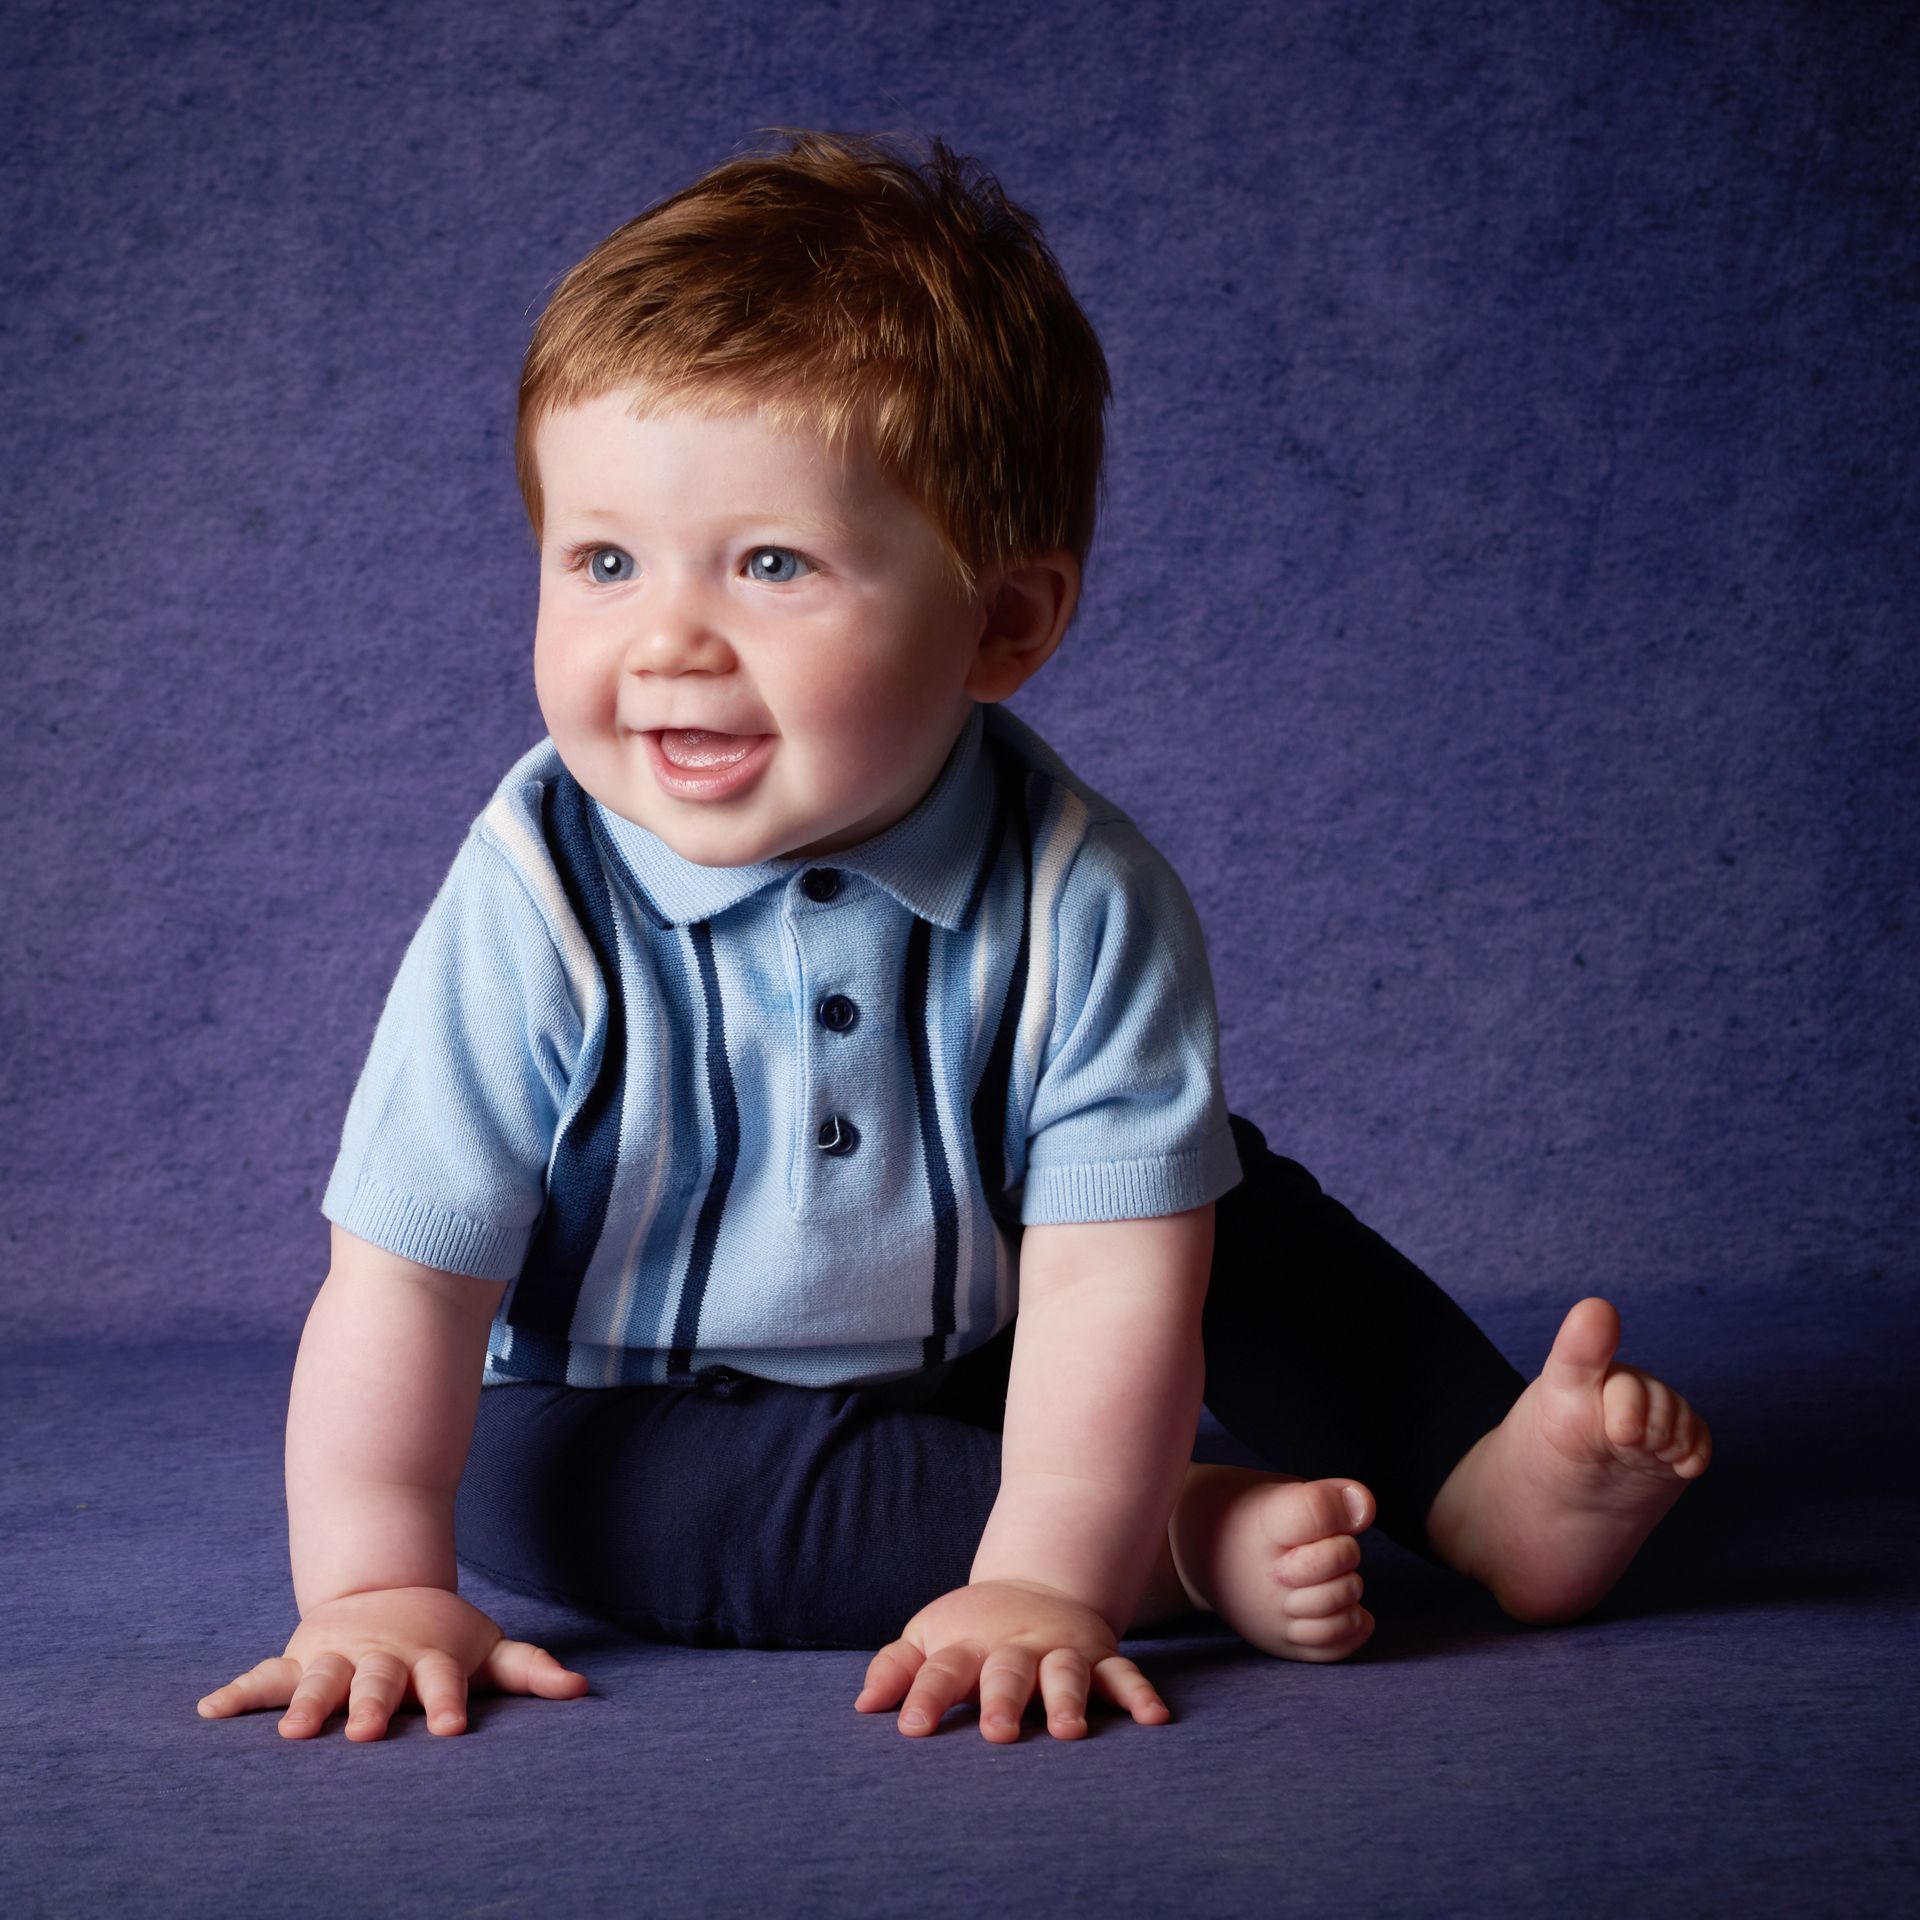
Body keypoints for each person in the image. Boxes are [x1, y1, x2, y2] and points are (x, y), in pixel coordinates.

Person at [196, 129, 1711, 1747]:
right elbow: (407, 1285)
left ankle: (1479, 1480)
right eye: (604, 561)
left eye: (772, 564)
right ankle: (1188, 1543)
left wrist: (1043, 1571)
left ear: (1004, 624)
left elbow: (1115, 1292)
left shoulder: (1080, 895)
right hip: (634, 1394)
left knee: (1222, 1210)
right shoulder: (538, 894)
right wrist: (370, 1586)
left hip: (998, 1344)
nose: (667, 641)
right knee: (567, 1493)